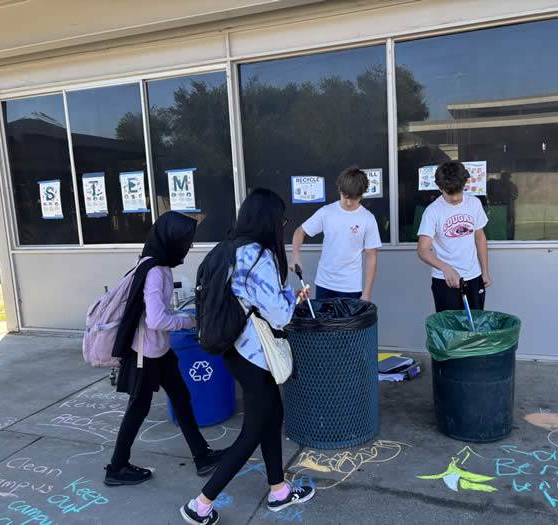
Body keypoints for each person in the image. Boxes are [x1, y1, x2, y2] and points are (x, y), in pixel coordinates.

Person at [181, 189, 315, 525]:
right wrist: (293, 297)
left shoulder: (228, 250)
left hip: (232, 349)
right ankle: (200, 505)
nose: (282, 226)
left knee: (272, 416)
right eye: (281, 220)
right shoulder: (258, 256)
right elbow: (280, 315)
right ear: (269, 221)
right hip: (256, 355)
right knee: (253, 430)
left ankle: (279, 491)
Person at [106, 212, 224, 486]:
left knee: (181, 398)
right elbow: (157, 319)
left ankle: (202, 454)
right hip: (145, 354)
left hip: (158, 351)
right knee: (138, 408)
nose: (189, 247)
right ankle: (117, 468)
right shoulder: (156, 272)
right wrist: (190, 321)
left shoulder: (152, 263)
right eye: (186, 241)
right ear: (171, 240)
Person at [291, 167, 382, 301]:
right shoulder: (326, 212)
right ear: (339, 189)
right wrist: (295, 256)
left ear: (362, 194)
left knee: (349, 323)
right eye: (346, 196)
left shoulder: (368, 219)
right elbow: (300, 232)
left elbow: (371, 256)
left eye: (354, 198)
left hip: (351, 286)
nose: (349, 202)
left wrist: (367, 293)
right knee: (324, 322)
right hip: (324, 283)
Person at [417, 161, 492, 312]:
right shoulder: (432, 211)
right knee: (450, 331)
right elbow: (423, 250)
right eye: (450, 193)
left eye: (459, 191)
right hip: (444, 280)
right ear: (440, 188)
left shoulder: (474, 204)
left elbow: (480, 238)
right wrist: (445, 268)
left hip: (474, 276)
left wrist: (484, 271)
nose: (456, 198)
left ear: (465, 183)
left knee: (475, 327)